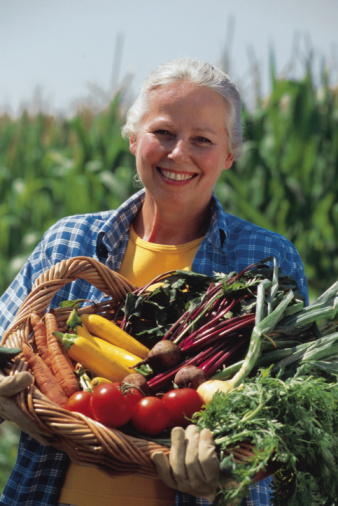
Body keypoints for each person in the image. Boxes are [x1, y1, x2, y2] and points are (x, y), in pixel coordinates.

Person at [0, 57, 308, 506]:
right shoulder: (71, 240)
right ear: (132, 139)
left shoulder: (267, 258)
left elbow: (290, 414)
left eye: (201, 139)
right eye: (162, 132)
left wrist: (229, 473)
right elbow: (6, 340)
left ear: (229, 155)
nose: (178, 153)